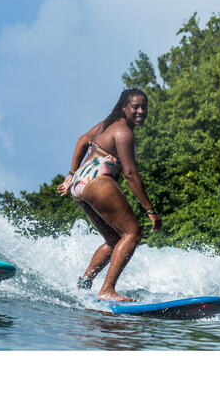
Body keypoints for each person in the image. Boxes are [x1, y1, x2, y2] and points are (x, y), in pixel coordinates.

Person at [56, 88, 161, 301]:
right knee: (133, 234)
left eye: (144, 107)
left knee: (114, 239)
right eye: (135, 107)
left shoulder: (106, 125)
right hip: (97, 180)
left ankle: (83, 284)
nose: (141, 111)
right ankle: (107, 290)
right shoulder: (123, 131)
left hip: (81, 183)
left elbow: (82, 140)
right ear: (124, 108)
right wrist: (150, 210)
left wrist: (72, 174)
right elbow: (131, 174)